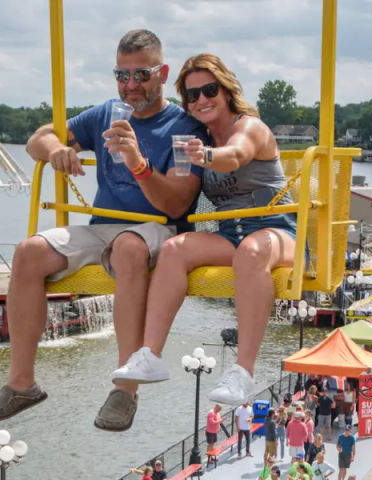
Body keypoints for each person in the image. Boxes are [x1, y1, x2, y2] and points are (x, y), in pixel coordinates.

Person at [0, 29, 207, 430]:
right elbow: (37, 139)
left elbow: (178, 203)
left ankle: (125, 388)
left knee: (130, 249)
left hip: (156, 228)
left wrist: (138, 163)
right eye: (122, 75)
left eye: (142, 74)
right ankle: (21, 384)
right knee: (28, 252)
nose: (131, 85)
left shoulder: (185, 129)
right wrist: (57, 151)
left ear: (163, 73)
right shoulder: (106, 113)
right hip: (103, 226)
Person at [112, 52, 298, 405]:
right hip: (231, 234)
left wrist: (207, 157)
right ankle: (149, 354)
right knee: (174, 248)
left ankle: (243, 372)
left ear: (226, 90)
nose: (201, 100)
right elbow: (179, 191)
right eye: (192, 95)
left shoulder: (249, 129)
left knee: (252, 252)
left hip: (276, 229)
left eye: (209, 90)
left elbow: (237, 155)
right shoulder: (196, 138)